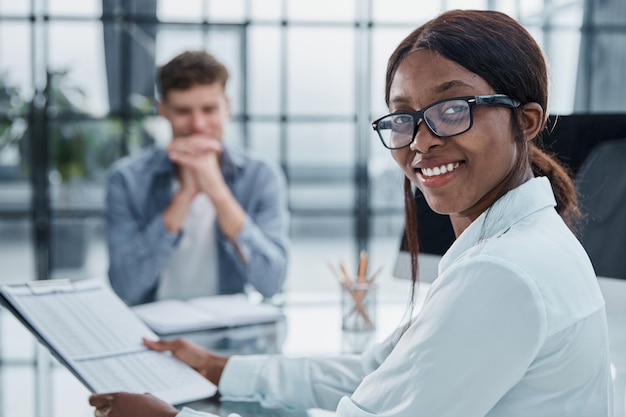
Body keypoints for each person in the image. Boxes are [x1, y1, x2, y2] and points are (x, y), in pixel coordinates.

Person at [91, 10, 613, 417]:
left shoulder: (502, 272)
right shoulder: (517, 242)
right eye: (403, 117)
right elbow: (374, 371)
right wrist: (219, 368)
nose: (421, 143)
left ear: (525, 121)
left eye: (453, 110)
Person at [105, 51, 289, 306]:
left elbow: (272, 282)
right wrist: (184, 196)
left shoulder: (261, 176)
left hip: (230, 334)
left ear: (228, 107)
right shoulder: (126, 179)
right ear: (163, 110)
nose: (198, 124)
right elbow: (125, 286)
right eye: (183, 111)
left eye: (209, 109)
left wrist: (217, 192)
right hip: (152, 334)